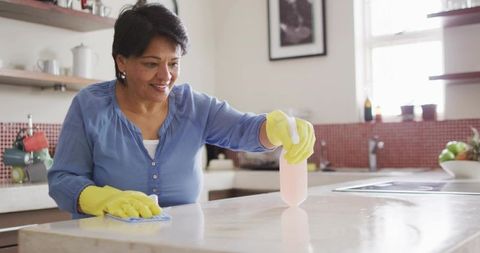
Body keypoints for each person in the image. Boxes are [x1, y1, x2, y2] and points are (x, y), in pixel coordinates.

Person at [48, 3, 316, 219]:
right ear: (122, 61)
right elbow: (62, 180)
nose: (165, 75)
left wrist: (276, 127)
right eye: (151, 63)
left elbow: (245, 130)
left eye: (174, 63)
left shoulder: (194, 106)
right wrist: (102, 199)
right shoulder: (90, 106)